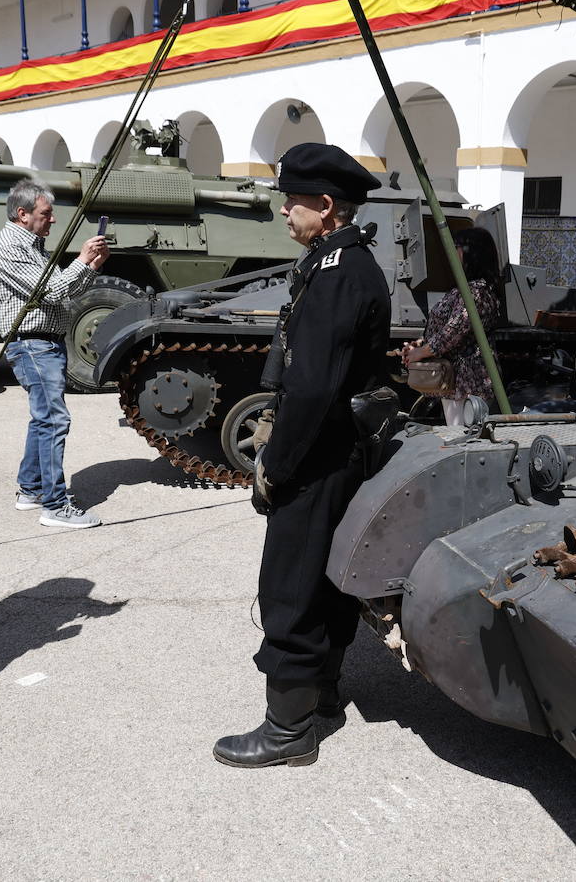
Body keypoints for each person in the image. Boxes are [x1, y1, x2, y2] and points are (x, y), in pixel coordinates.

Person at [213, 142, 388, 768]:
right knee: (325, 579)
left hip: (317, 458)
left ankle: (289, 731)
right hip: (335, 452)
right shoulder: (338, 262)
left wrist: (276, 465)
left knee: (291, 586)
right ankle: (322, 698)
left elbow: (313, 387)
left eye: (292, 201)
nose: (284, 211)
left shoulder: (338, 271)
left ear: (325, 205)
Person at [0, 178, 110, 529]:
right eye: (46, 213)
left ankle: (31, 489)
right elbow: (51, 291)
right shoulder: (9, 246)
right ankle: (54, 505)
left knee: (43, 419)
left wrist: (91, 267)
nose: (52, 219)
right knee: (55, 419)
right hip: (32, 343)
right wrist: (82, 260)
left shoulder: (31, 244)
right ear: (22, 214)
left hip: (43, 342)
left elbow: (60, 295)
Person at [402, 226, 504, 425]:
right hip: (456, 381)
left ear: (471, 253)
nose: (453, 252)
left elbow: (453, 332)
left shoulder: (477, 292)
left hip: (468, 382)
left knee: (463, 435)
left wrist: (420, 353)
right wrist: (419, 345)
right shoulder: (467, 289)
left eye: (457, 247)